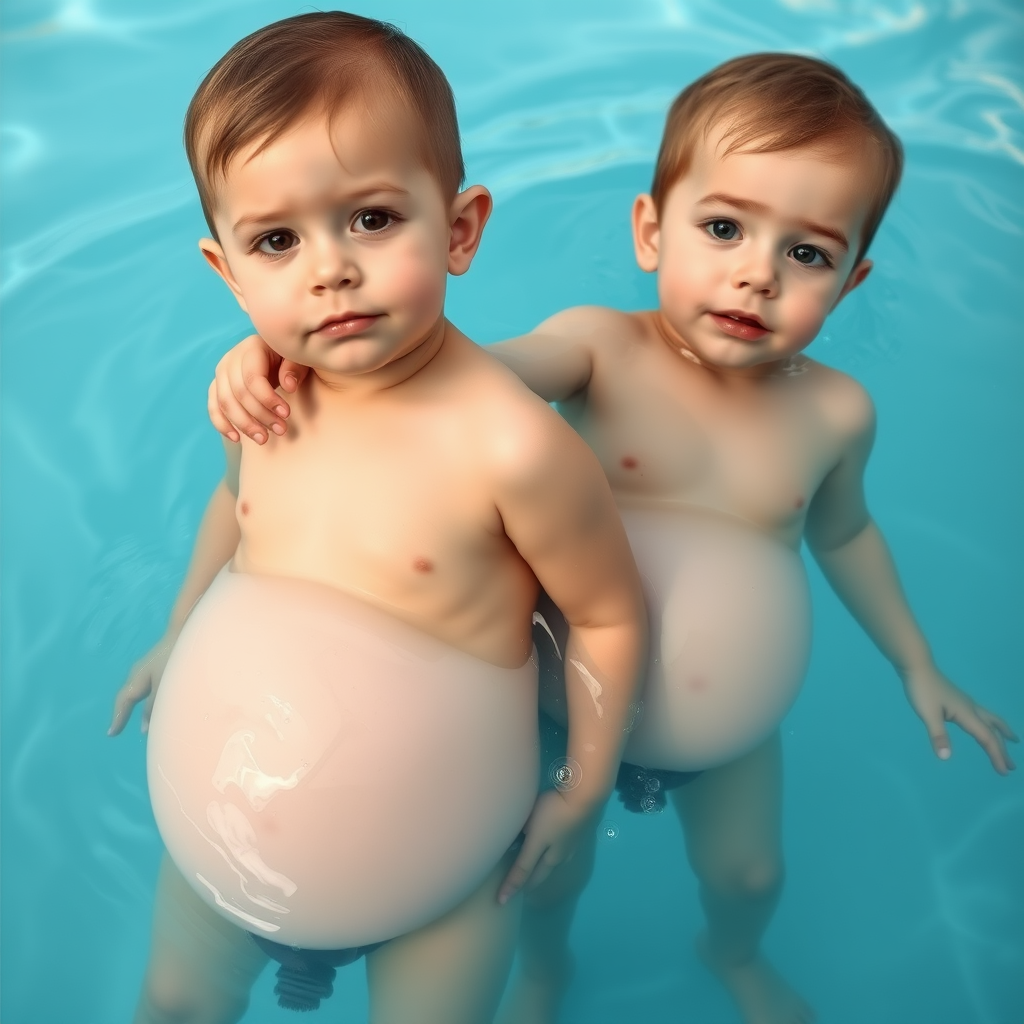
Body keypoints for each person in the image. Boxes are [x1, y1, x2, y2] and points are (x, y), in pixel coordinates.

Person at [210, 53, 1018, 1024]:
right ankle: (545, 972)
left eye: (808, 255)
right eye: (723, 228)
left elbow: (846, 536)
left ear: (851, 283)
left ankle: (732, 953)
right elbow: (435, 379)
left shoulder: (836, 414)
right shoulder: (600, 348)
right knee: (548, 874)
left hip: (725, 736)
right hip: (563, 708)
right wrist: (278, 346)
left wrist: (916, 662)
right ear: (650, 231)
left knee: (750, 871)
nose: (756, 274)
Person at [109, 12, 646, 1024]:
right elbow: (234, 509)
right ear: (228, 273)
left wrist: (579, 792)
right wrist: (175, 634)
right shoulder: (264, 400)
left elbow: (609, 617)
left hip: (447, 878)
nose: (329, 270)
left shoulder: (510, 449)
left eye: (370, 218)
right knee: (171, 1004)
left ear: (461, 229)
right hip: (222, 856)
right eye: (276, 241)